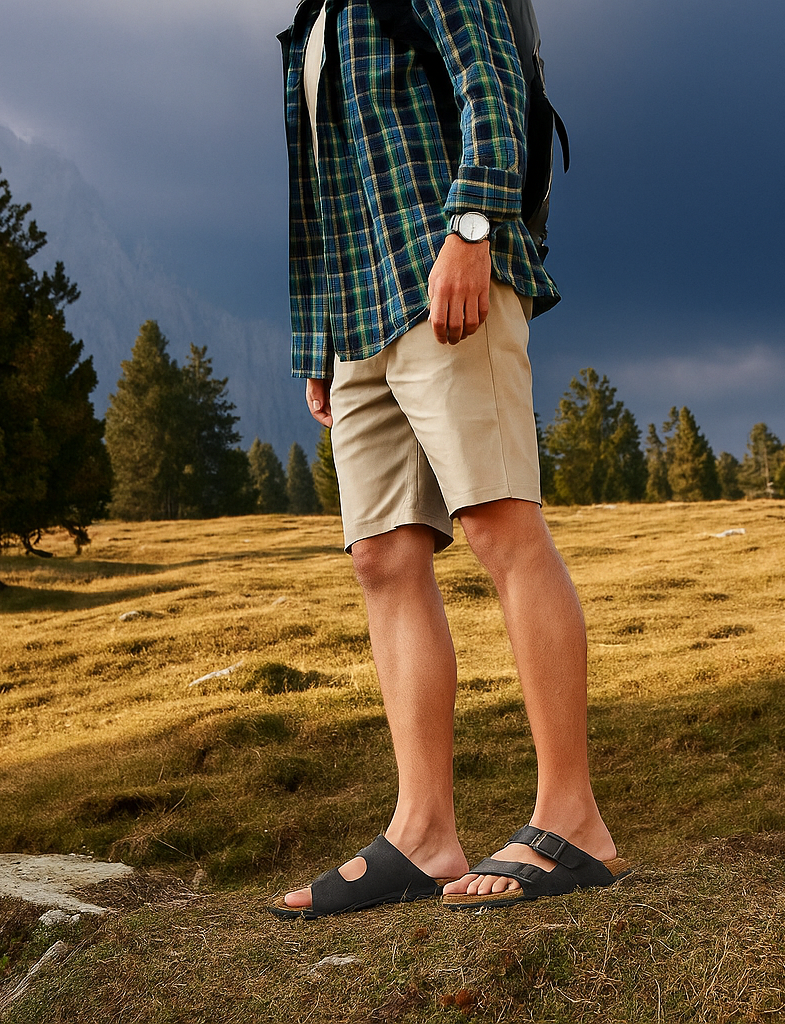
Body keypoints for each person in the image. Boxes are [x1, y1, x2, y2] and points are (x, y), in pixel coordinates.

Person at [267, 0, 627, 919]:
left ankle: (573, 818)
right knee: (384, 558)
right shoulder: (311, 17)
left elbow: (492, 78)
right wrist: (318, 339)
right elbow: (323, 187)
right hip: (356, 313)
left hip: (444, 276)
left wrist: (472, 228)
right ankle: (422, 833)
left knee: (498, 523)